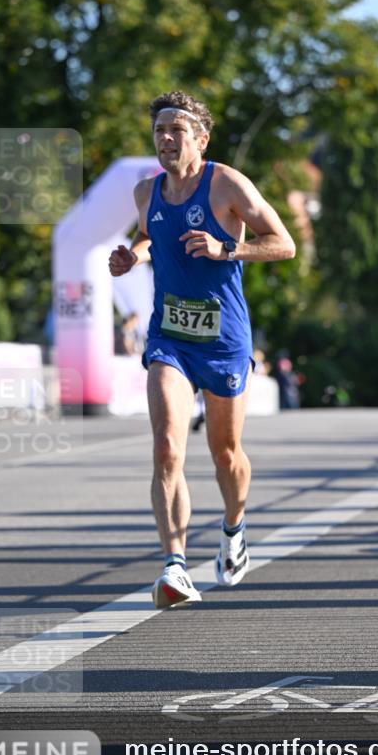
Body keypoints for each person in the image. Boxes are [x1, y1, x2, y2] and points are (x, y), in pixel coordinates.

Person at [109, 91, 295, 608]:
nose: (166, 139)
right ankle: (175, 566)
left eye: (177, 130)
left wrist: (226, 248)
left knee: (225, 454)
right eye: (159, 131)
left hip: (224, 340)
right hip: (170, 338)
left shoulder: (227, 184)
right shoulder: (146, 192)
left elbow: (285, 243)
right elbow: (150, 236)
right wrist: (134, 257)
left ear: (201, 138)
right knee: (167, 447)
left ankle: (234, 528)